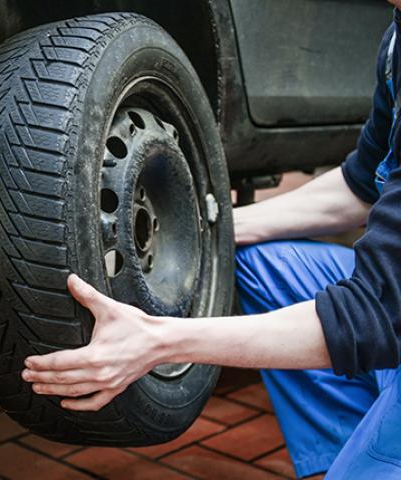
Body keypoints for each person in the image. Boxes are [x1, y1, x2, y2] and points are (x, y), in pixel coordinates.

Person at [21, 2, 401, 478]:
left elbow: (376, 316)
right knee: (266, 264)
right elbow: (361, 186)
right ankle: (349, 455)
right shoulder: (395, 41)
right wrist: (211, 229)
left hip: (391, 316)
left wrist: (156, 342)